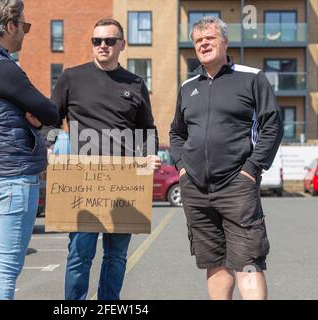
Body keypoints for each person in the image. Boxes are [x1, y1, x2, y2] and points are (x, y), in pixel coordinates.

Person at [42, 18, 160, 300]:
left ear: (122, 44)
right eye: (97, 41)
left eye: (109, 41)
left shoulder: (135, 83)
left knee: (116, 256)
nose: (103, 46)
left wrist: (151, 155)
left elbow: (147, 130)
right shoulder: (71, 77)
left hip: (124, 182)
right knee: (80, 255)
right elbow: (50, 119)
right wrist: (50, 144)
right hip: (83, 181)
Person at [169, 16, 283, 300]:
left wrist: (251, 170)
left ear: (225, 42)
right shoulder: (188, 87)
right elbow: (176, 133)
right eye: (198, 40)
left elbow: (273, 126)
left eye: (210, 38)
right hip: (195, 189)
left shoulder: (251, 77)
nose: (203, 43)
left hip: (237, 186)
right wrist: (182, 168)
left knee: (247, 262)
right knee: (214, 264)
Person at [0, 0, 59, 300]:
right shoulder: (2, 67)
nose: (25, 33)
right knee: (7, 265)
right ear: (9, 26)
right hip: (14, 174)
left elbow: (34, 110)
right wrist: (34, 116)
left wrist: (28, 114)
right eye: (24, 26)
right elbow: (50, 111)